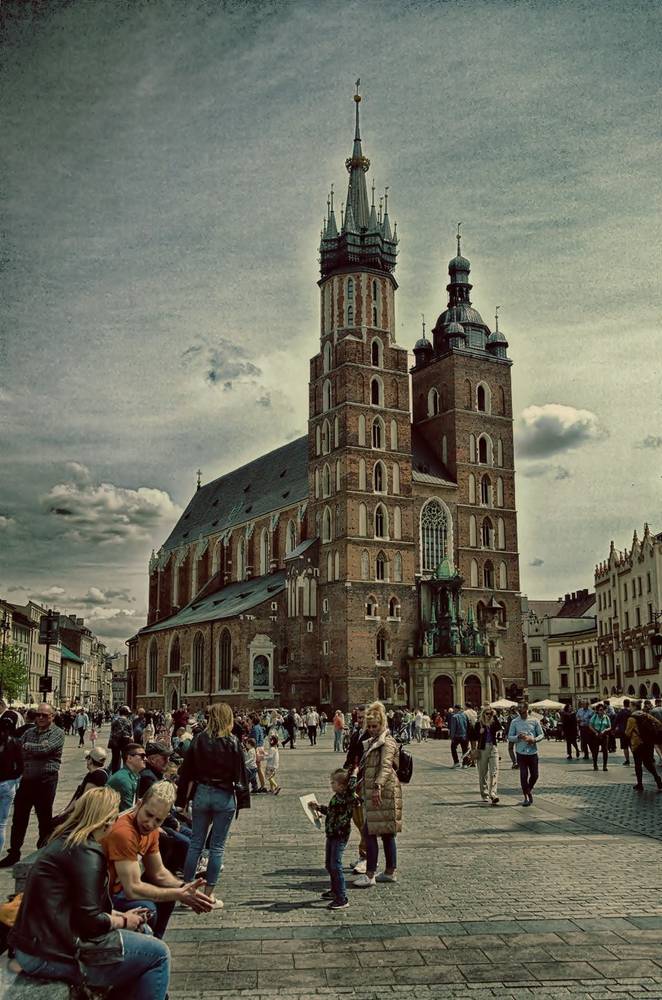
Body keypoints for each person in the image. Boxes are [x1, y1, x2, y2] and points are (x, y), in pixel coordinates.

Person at [10, 787, 170, 1000]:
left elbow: (80, 910)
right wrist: (124, 922)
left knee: (145, 935)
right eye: (113, 817)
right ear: (105, 820)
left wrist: (120, 917)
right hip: (51, 953)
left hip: (39, 944)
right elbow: (89, 921)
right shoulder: (86, 852)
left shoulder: (68, 841)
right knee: (159, 954)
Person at [103, 780, 214, 938]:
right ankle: (145, 948)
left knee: (168, 896)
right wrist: (178, 893)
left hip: (117, 889)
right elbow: (132, 888)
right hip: (104, 895)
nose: (150, 824)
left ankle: (155, 941)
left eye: (158, 820)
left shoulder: (151, 831)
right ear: (139, 804)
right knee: (149, 909)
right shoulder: (124, 832)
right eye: (148, 815)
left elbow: (159, 873)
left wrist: (185, 888)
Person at [177, 702, 249, 908]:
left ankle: (187, 894)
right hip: (223, 795)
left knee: (195, 845)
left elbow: (186, 772)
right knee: (216, 848)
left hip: (201, 793)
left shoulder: (198, 740)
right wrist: (242, 798)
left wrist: (182, 800)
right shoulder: (233, 742)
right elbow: (241, 774)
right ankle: (208, 896)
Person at [0, 702, 65, 867]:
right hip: (27, 781)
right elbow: (14, 748)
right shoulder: (29, 732)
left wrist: (27, 747)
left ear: (52, 716)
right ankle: (14, 852)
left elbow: (45, 750)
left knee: (44, 818)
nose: (41, 718)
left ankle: (41, 852)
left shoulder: (57, 732)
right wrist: (31, 748)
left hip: (46, 781)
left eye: (45, 715)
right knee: (19, 818)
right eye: (38, 715)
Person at [353, 701, 401, 888]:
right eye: (370, 726)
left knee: (370, 831)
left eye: (375, 726)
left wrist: (378, 787)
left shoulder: (387, 742)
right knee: (387, 833)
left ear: (383, 725)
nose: (372, 729)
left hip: (382, 793)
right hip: (377, 791)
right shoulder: (372, 742)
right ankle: (390, 872)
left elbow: (386, 766)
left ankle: (370, 874)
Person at [309, 768, 358, 910]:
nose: (331, 784)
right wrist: (318, 807)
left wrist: (354, 773)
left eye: (333, 782)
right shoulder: (337, 797)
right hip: (331, 834)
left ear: (342, 785)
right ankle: (334, 890)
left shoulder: (347, 796)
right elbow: (331, 812)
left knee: (336, 865)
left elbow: (352, 786)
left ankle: (342, 898)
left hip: (340, 835)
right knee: (329, 865)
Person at [343, 704, 369, 874]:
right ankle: (363, 855)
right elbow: (350, 757)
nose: (360, 720)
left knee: (364, 820)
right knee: (357, 819)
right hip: (354, 780)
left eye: (363, 717)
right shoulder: (356, 734)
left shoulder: (371, 735)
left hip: (364, 782)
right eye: (358, 717)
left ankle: (366, 857)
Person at [507, 704, 544, 806]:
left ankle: (528, 789)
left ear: (527, 710)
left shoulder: (535, 720)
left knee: (535, 775)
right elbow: (509, 737)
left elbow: (541, 734)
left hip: (532, 752)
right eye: (520, 712)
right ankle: (526, 796)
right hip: (521, 753)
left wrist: (534, 739)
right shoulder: (515, 722)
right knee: (523, 775)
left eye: (523, 711)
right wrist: (518, 737)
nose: (521, 713)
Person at [0, 713, 23, 857]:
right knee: (1, 824)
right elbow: (21, 766)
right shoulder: (14, 742)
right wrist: (14, 780)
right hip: (8, 784)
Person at [469, 707, 500, 805]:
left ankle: (493, 793)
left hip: (493, 748)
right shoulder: (478, 724)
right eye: (487, 714)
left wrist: (495, 716)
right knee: (483, 773)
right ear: (483, 714)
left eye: (490, 714)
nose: (489, 715)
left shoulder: (493, 723)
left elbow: (499, 727)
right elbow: (473, 737)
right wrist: (479, 733)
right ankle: (484, 794)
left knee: (494, 771)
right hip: (482, 749)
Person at [626, 709, 662, 792]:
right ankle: (658, 779)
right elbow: (659, 724)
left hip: (637, 744)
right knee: (648, 763)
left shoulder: (631, 719)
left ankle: (640, 784)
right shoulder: (646, 715)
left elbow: (627, 733)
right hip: (648, 743)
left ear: (634, 707)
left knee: (638, 764)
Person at [107, 742, 147, 811]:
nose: (146, 759)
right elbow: (127, 812)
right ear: (129, 758)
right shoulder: (123, 780)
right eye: (142, 756)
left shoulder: (134, 775)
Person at [108, 706, 134, 774]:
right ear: (126, 713)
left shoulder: (115, 720)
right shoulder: (128, 721)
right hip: (125, 740)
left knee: (115, 758)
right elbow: (131, 733)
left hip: (115, 740)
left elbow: (112, 731)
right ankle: (125, 773)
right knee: (125, 758)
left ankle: (115, 774)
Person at [588, 703, 611, 771]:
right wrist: (595, 732)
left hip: (604, 735)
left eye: (603, 709)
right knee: (595, 751)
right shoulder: (594, 717)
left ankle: (605, 766)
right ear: (597, 710)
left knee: (605, 751)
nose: (602, 711)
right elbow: (590, 725)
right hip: (596, 735)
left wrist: (605, 730)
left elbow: (609, 727)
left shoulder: (606, 717)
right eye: (600, 710)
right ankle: (595, 765)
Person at [613, 699, 632, 766]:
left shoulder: (621, 712)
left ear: (623, 704)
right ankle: (636, 759)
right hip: (631, 731)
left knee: (625, 747)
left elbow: (616, 721)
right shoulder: (631, 712)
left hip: (623, 732)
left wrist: (613, 729)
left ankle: (627, 760)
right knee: (632, 746)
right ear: (629, 704)